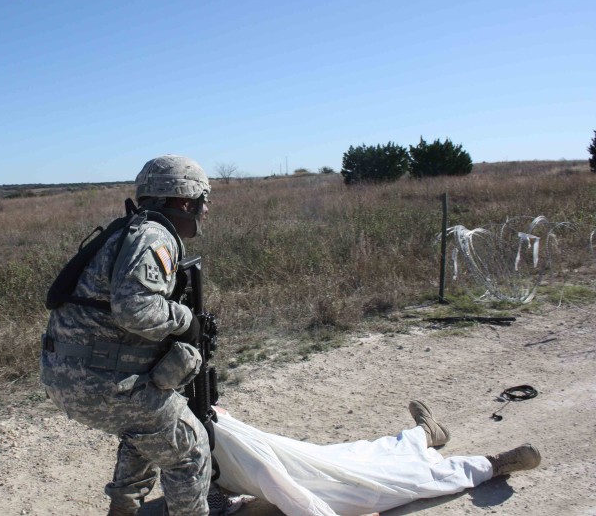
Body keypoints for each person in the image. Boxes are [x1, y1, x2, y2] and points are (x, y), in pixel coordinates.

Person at [41, 155, 213, 516]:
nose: (205, 209)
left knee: (148, 432)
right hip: (99, 382)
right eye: (202, 200)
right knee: (189, 450)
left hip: (71, 374)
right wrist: (186, 320)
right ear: (185, 201)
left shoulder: (128, 229)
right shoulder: (154, 237)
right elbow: (134, 308)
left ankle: (124, 511)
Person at [209, 400, 541, 516]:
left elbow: (283, 488)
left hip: (311, 487)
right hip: (298, 475)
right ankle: (427, 434)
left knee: (386, 476)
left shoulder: (218, 434)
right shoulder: (191, 432)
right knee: (372, 461)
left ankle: (493, 463)